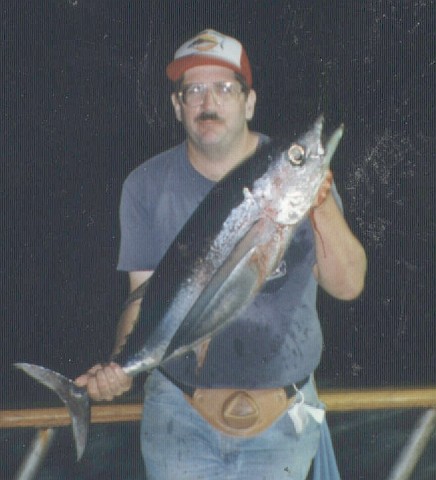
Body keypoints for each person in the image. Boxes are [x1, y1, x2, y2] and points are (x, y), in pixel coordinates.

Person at [76, 29, 367, 479]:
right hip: (178, 419)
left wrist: (318, 198)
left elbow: (348, 287)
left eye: (225, 88)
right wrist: (121, 364)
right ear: (177, 106)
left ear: (249, 103)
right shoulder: (146, 185)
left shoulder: (293, 176)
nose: (207, 101)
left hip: (283, 421)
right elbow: (142, 299)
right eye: (193, 90)